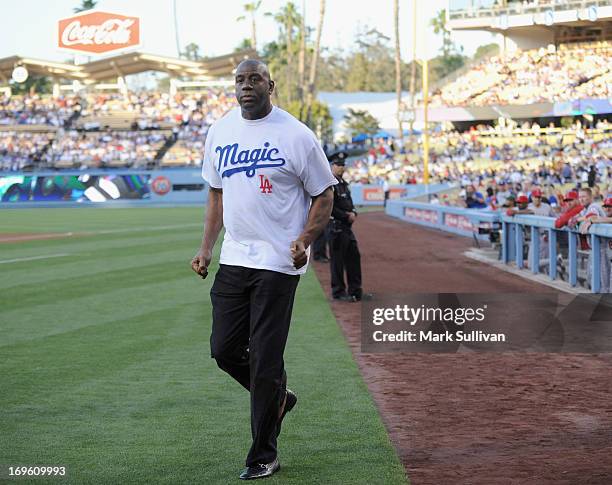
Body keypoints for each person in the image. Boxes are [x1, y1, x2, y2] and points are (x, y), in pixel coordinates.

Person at [190, 59, 336, 480]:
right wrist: (206, 248)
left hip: (278, 262)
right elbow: (216, 194)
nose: (246, 86)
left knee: (266, 360)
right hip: (236, 258)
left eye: (254, 79)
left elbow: (324, 194)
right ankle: (277, 398)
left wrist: (305, 240)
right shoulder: (220, 131)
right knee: (223, 349)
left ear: (270, 84)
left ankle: (263, 455)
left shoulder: (296, 135)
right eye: (239, 80)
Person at [328, 151, 370, 302]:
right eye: (338, 165)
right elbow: (329, 207)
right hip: (335, 227)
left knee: (353, 257)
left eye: (343, 165)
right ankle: (338, 292)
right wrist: (346, 215)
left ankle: (355, 291)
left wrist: (353, 212)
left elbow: (350, 203)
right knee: (337, 261)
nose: (341, 167)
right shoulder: (330, 184)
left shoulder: (343, 184)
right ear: (332, 165)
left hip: (346, 227)